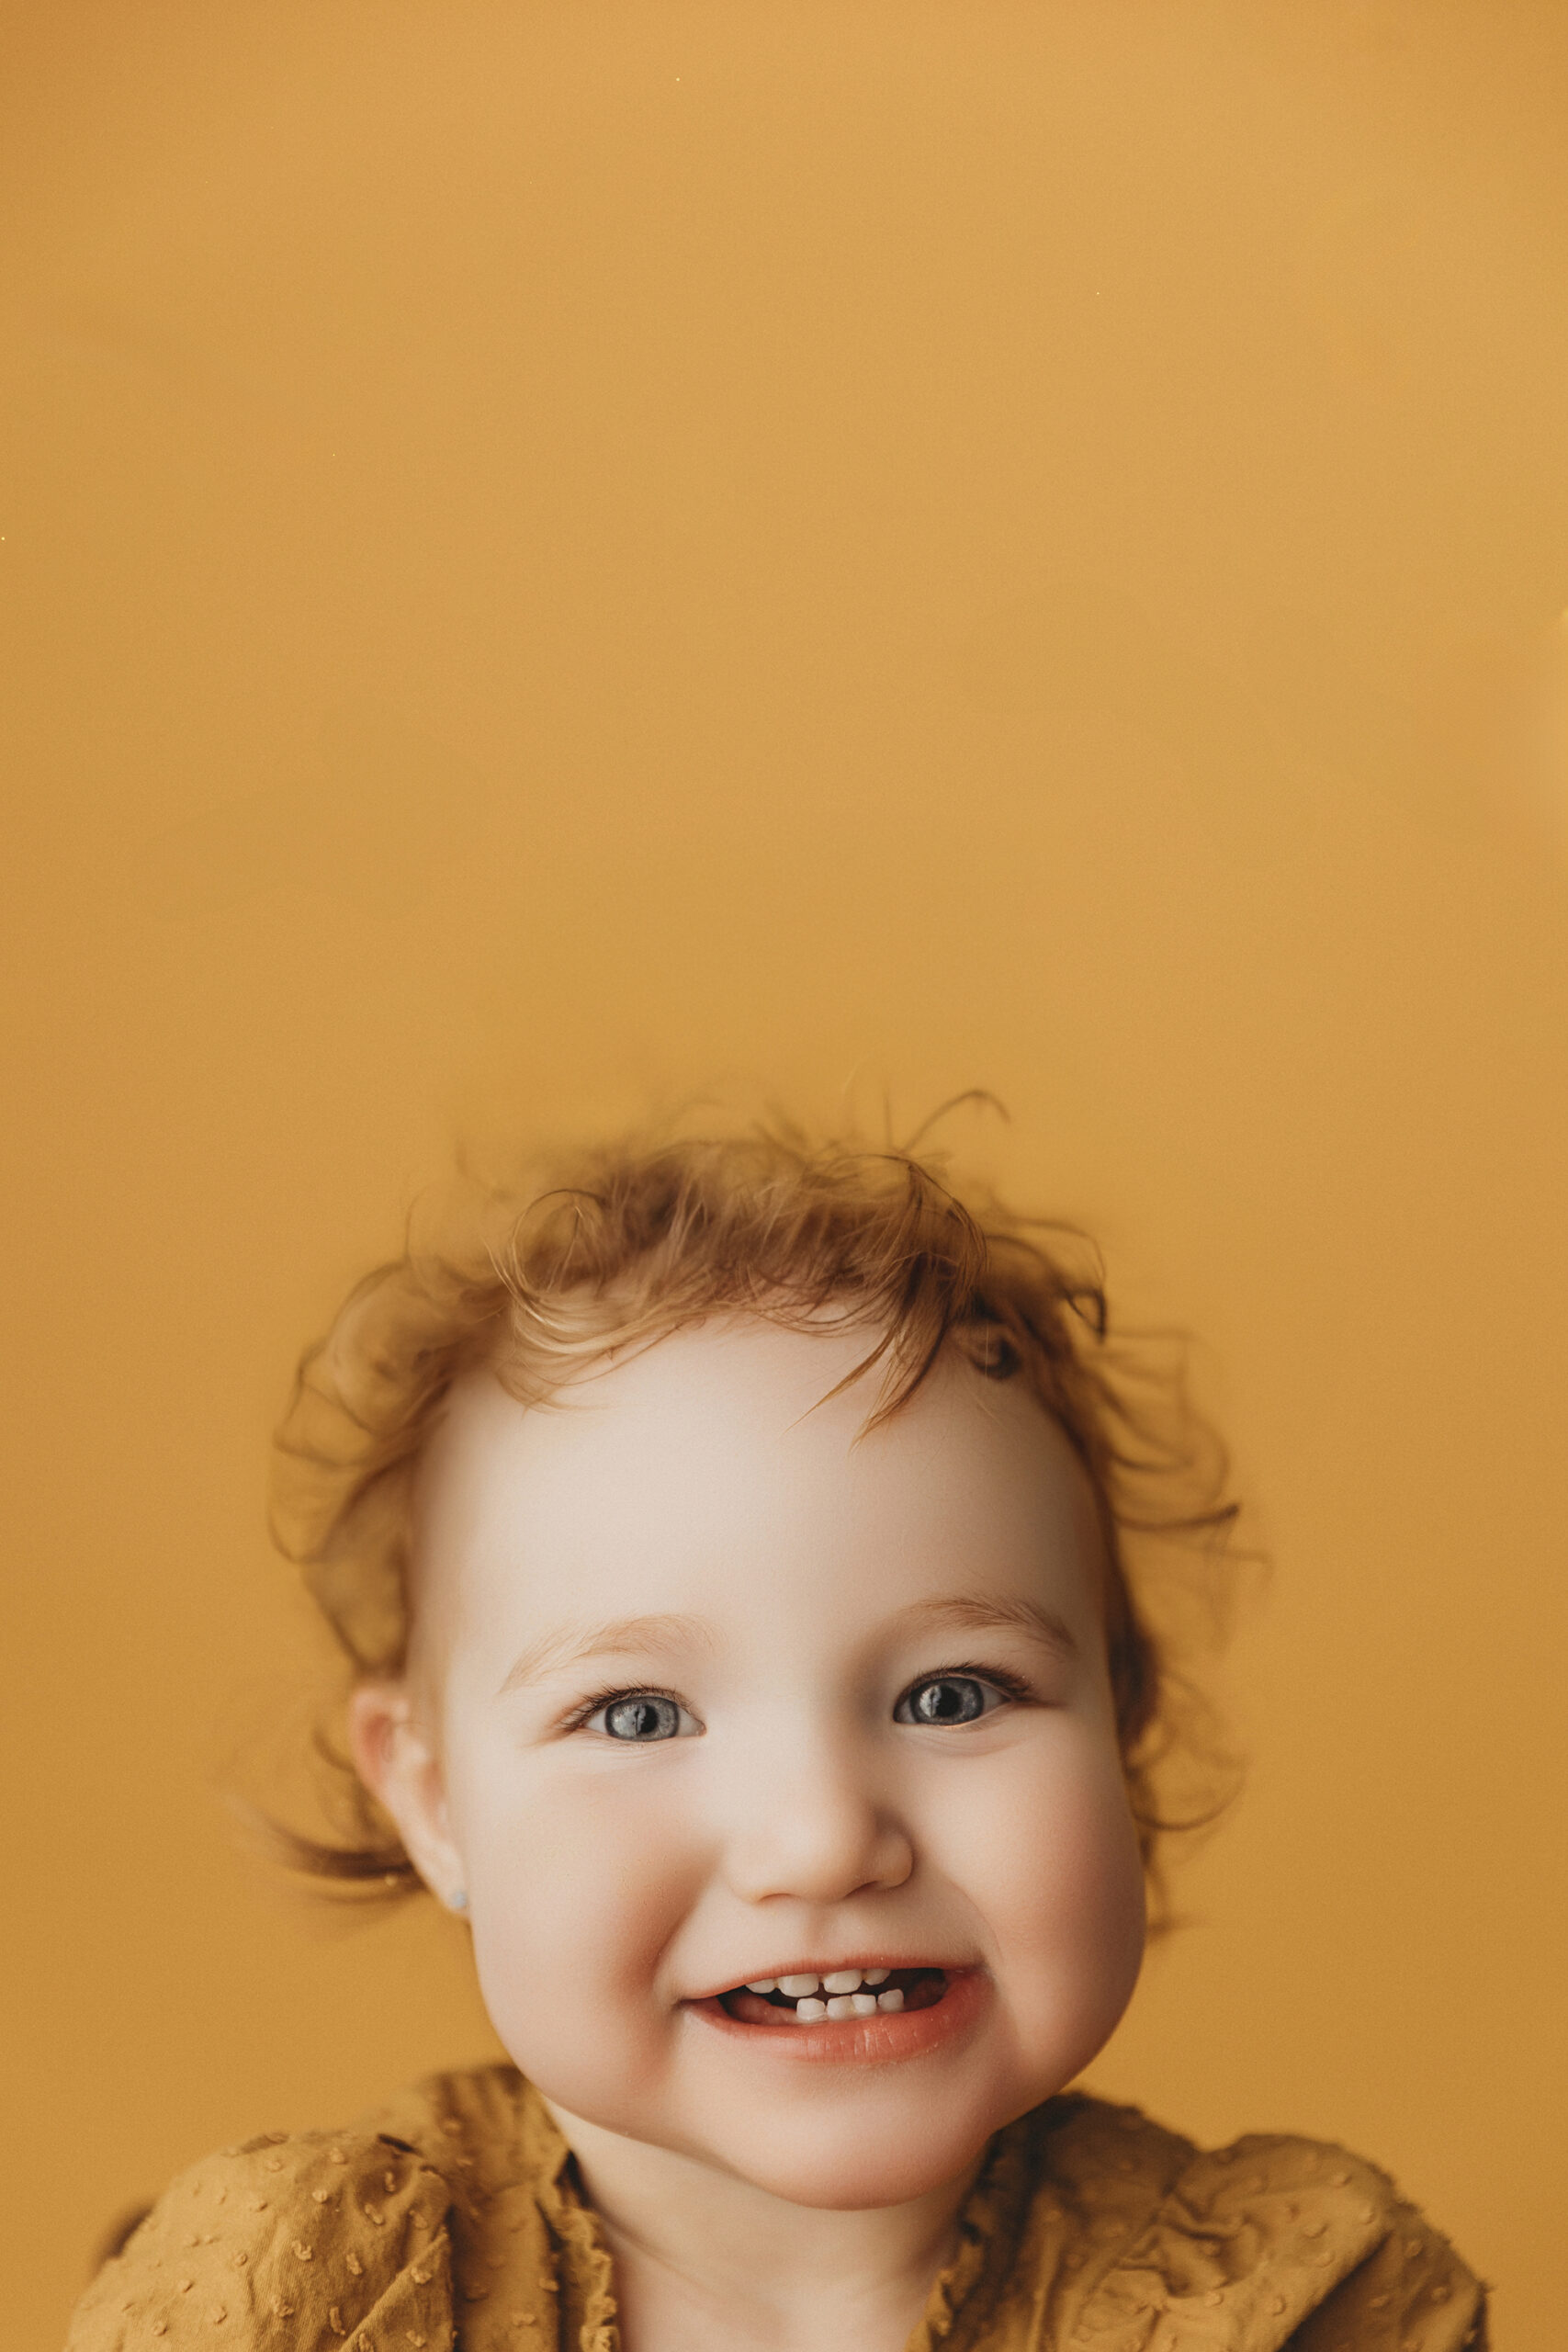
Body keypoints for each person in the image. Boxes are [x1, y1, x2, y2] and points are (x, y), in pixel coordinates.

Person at [66, 1118, 1487, 2351]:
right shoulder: (311, 2299)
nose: (819, 1838)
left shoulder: (1292, 2306)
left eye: (952, 1695)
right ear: (432, 1807)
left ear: (1123, 1727)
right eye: (636, 1713)